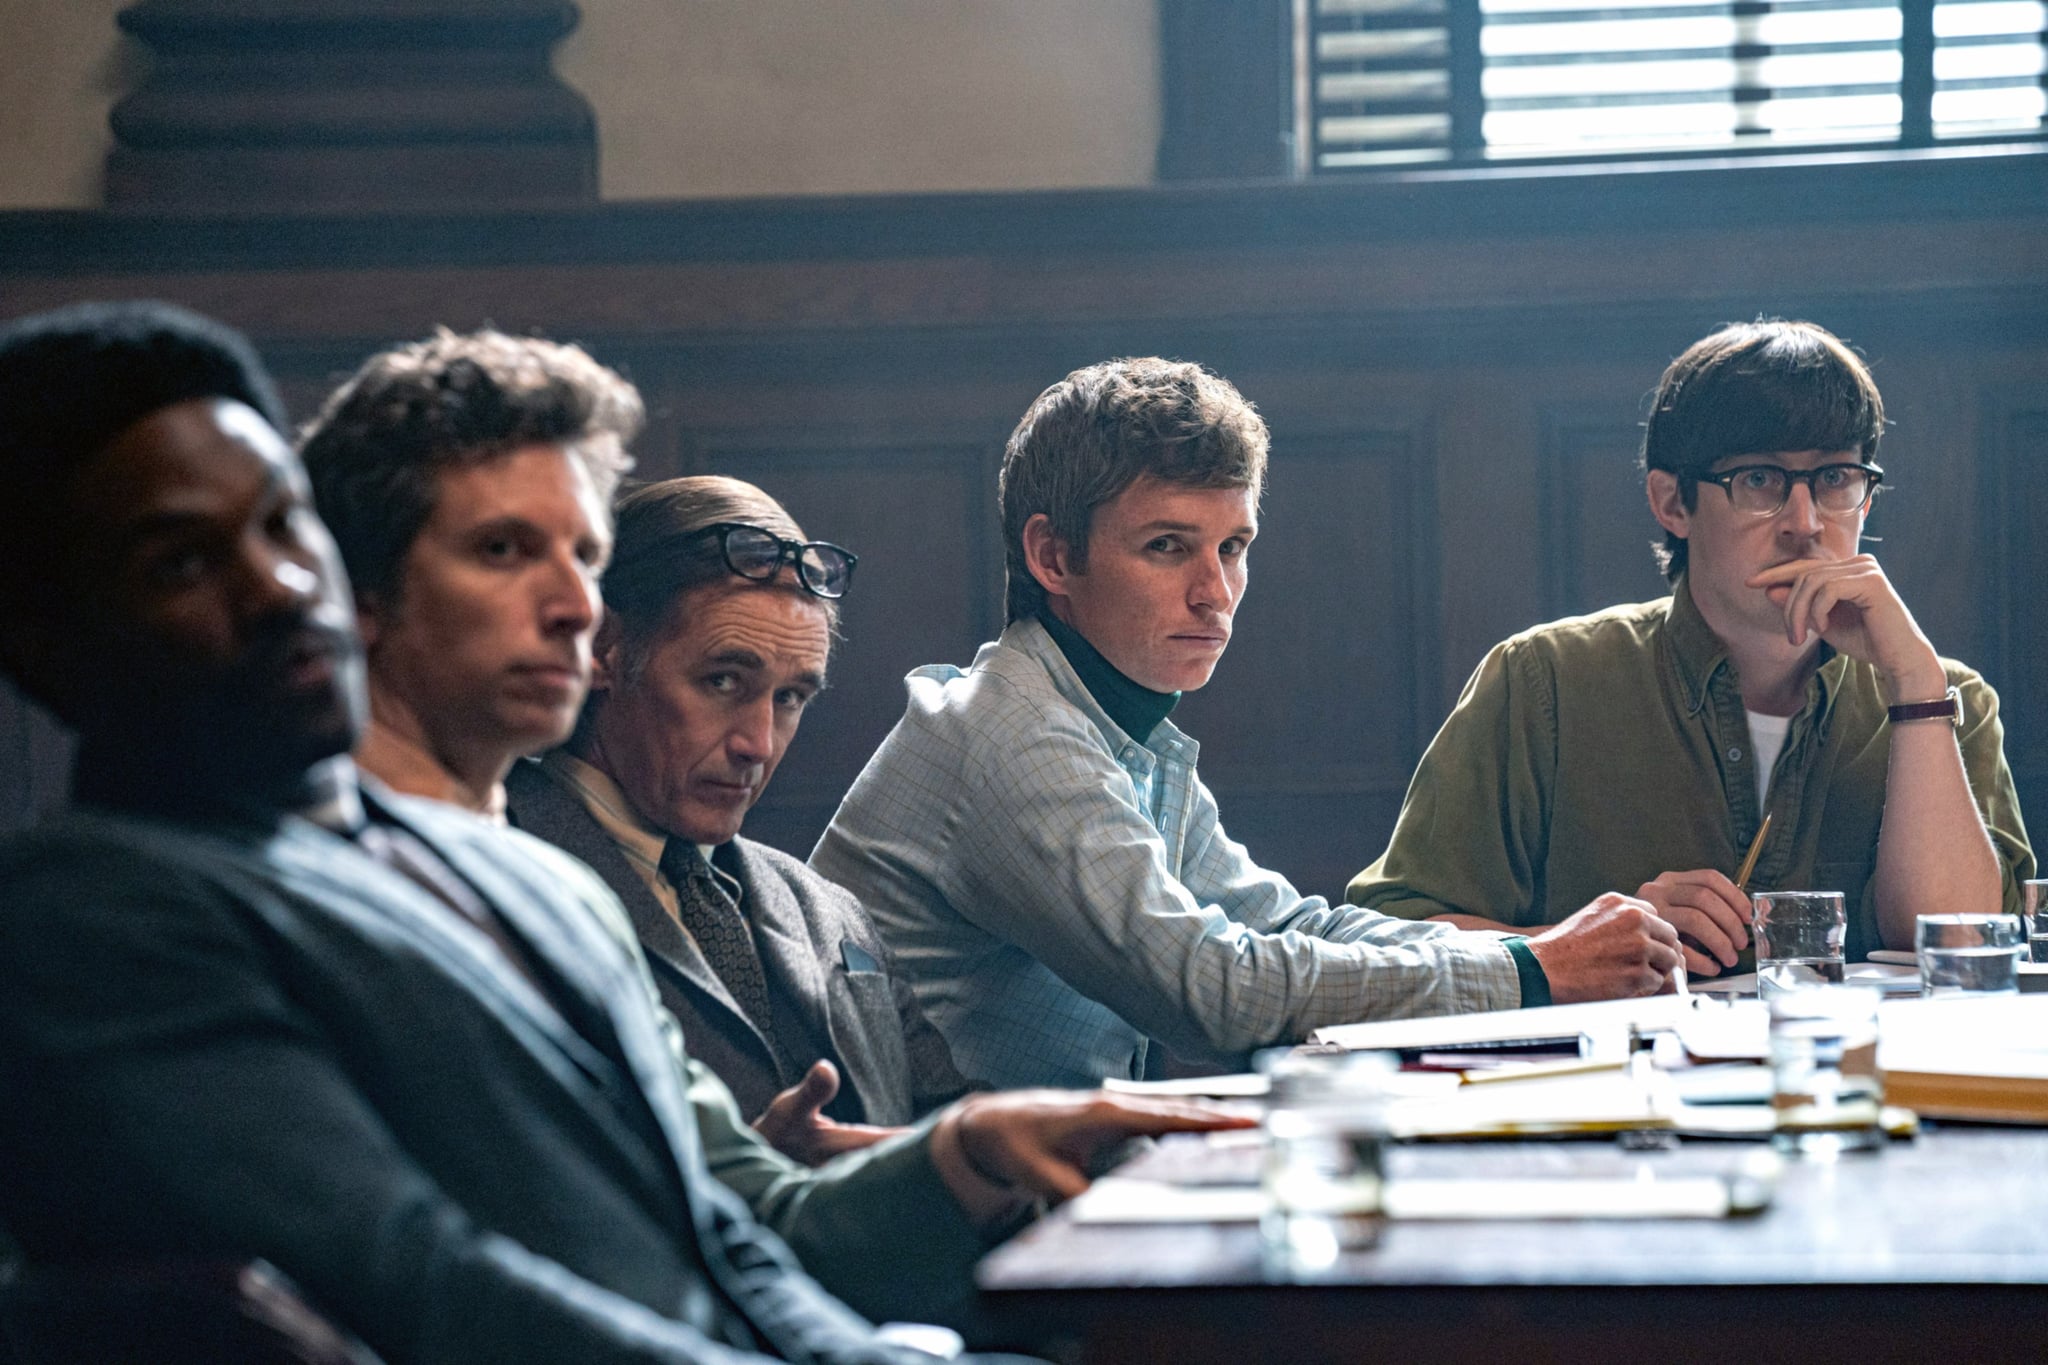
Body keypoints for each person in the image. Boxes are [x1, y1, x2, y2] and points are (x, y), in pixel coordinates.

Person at [0, 301, 1239, 1363]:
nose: (275, 586)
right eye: (178, 563)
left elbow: (734, 1248)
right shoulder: (91, 908)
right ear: (42, 636)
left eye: (281, 528)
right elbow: (425, 1284)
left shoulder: (506, 871)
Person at [811, 357, 1682, 1092]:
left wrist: (1546, 949)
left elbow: (1291, 925)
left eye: (1232, 547)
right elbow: (1214, 992)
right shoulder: (1011, 734)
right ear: (1052, 556)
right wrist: (1532, 972)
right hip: (937, 1238)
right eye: (1167, 546)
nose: (1215, 592)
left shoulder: (1118, 728)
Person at [1346, 319, 2033, 969]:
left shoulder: (1945, 697)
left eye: (1834, 480)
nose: (1805, 523)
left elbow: (1963, 951)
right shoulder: (1542, 681)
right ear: (1672, 503)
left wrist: (1915, 689)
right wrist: (1581, 941)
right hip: (1612, 1092)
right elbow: (1393, 940)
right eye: (1760, 479)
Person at [508, 475, 968, 1144]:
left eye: (790, 698)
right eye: (723, 681)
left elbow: (959, 1135)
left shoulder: (828, 908)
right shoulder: (495, 884)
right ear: (604, 649)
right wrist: (760, 1184)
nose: (758, 743)